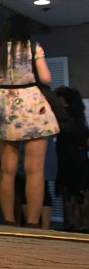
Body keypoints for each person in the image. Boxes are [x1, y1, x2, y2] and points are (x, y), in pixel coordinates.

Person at [0, 14, 60, 227]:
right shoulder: (33, 47)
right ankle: (32, 222)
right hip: (32, 106)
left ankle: (9, 220)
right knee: (35, 171)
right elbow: (46, 78)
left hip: (5, 106)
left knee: (7, 169)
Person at [54, 86, 89, 231]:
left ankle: (74, 222)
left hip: (68, 159)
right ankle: (83, 223)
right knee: (81, 192)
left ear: (62, 100)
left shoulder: (63, 118)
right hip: (80, 158)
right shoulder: (79, 117)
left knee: (69, 191)